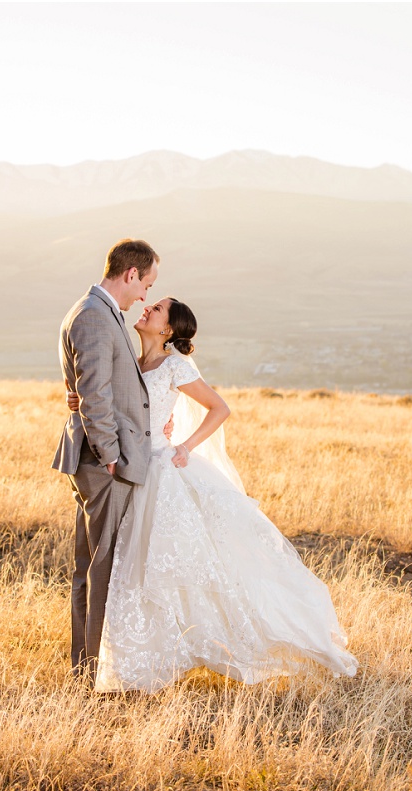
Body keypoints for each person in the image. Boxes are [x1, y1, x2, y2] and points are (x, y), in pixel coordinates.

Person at [67, 297, 358, 692]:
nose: (147, 309)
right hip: (134, 474)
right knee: (136, 567)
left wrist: (184, 447)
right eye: (149, 304)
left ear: (167, 330)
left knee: (178, 565)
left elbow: (219, 408)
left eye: (156, 309)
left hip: (161, 470)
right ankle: (143, 660)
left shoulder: (174, 366)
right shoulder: (133, 364)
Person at [52, 238, 159, 683]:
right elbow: (94, 396)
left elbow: (91, 387)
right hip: (103, 466)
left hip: (98, 462)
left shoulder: (93, 310)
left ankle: (86, 667)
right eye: (146, 284)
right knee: (100, 569)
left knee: (91, 567)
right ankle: (91, 672)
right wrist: (112, 457)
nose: (145, 296)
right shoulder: (95, 316)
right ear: (131, 274)